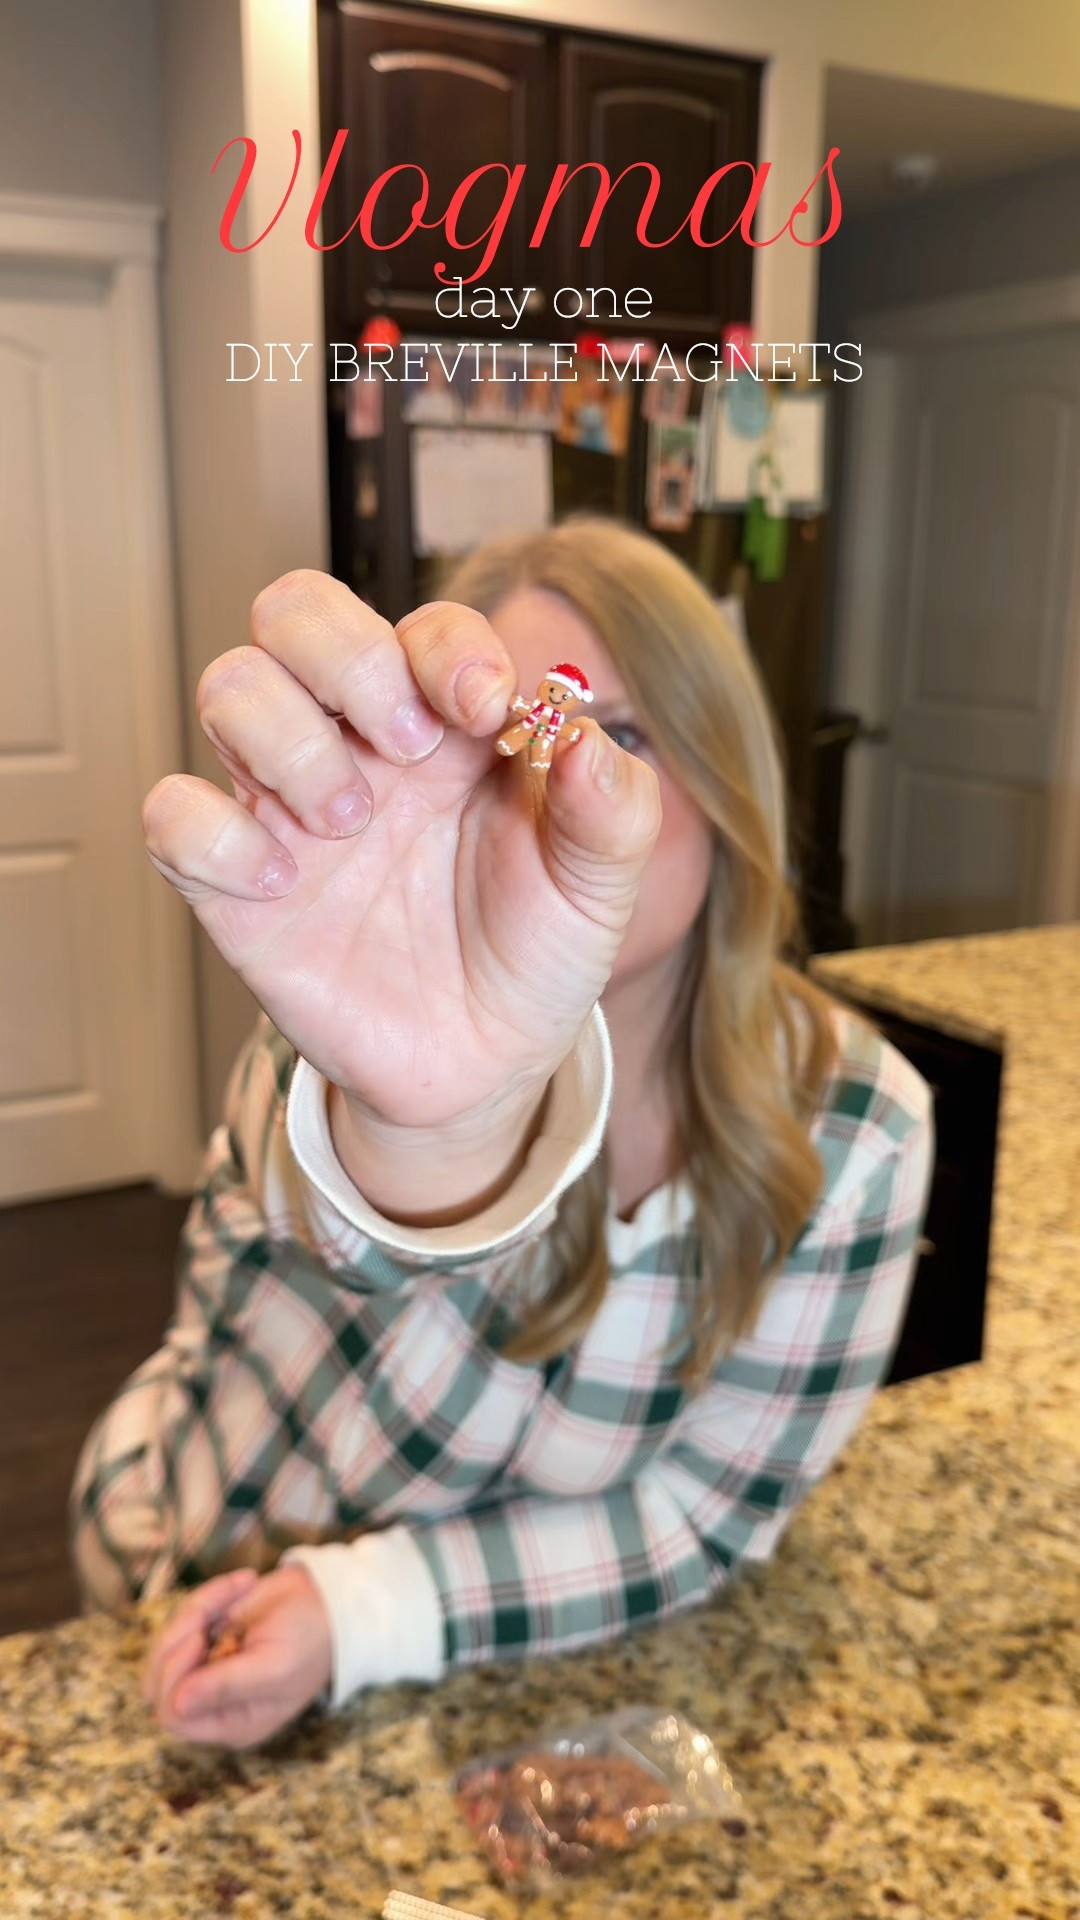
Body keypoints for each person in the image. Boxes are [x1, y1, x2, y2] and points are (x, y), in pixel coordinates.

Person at [71, 515, 934, 1753]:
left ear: (725, 783)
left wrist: (359, 1608)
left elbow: (702, 1514)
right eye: (510, 741)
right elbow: (351, 1231)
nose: (557, 786)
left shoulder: (861, 1130)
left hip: (483, 1693)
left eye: (620, 734)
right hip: (187, 1584)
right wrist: (435, 1114)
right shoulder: (333, 1034)